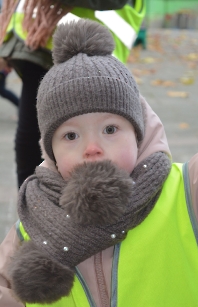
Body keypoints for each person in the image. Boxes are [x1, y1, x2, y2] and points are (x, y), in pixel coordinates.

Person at [0, 19, 198, 307]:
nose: (91, 147)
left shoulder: (186, 194)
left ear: (137, 134)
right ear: (50, 151)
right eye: (70, 135)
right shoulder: (29, 229)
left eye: (110, 129)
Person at [0, 0, 145, 188]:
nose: (91, 149)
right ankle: (36, 207)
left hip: (90, 61)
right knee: (31, 146)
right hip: (39, 45)